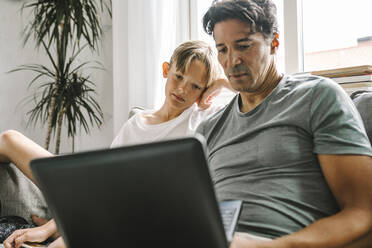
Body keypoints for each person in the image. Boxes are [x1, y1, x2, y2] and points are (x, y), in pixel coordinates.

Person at [1, 40, 231, 248]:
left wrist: (221, 82)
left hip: (144, 216)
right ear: (165, 70)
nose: (182, 89)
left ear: (205, 92)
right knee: (9, 139)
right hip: (105, 202)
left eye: (195, 86)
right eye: (179, 76)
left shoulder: (202, 116)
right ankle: (56, 227)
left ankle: (57, 233)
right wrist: (49, 227)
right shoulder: (137, 123)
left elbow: (257, 88)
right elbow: (101, 190)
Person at [196, 0, 372, 247]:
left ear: (274, 43)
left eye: (243, 46)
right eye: (222, 49)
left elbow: (364, 214)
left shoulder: (316, 96)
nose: (232, 60)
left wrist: (270, 246)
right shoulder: (207, 129)